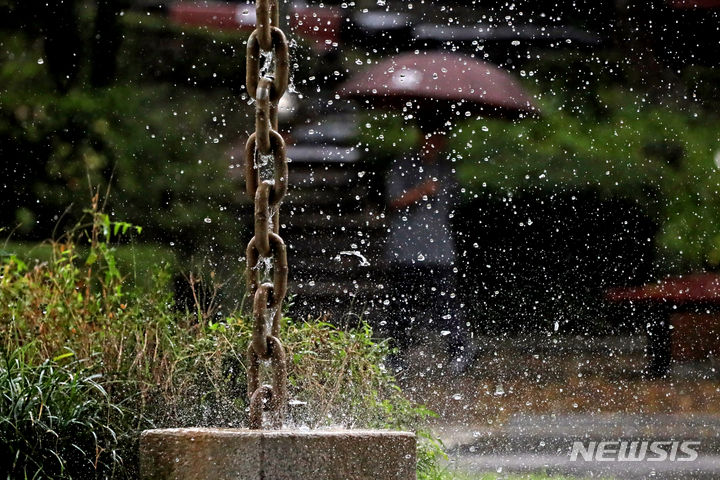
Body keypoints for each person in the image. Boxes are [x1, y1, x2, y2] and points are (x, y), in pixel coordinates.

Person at [383, 129, 470, 372]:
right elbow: (393, 201)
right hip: (406, 247)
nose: (436, 143)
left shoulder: (446, 168)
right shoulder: (403, 165)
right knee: (401, 304)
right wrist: (421, 191)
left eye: (441, 138)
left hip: (439, 249)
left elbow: (456, 202)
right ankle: (395, 354)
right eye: (432, 137)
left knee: (446, 303)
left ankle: (458, 351)